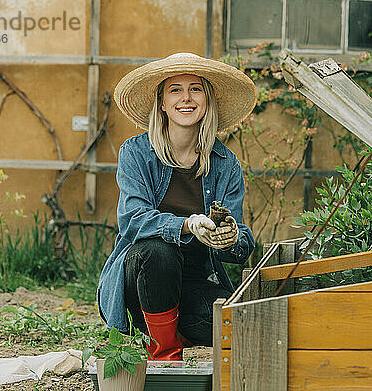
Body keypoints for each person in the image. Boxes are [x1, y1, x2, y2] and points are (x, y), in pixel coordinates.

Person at [97, 53, 257, 361]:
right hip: (139, 281)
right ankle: (165, 354)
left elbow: (241, 246)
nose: (186, 98)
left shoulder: (226, 165)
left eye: (196, 89)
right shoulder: (136, 153)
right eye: (175, 90)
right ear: (161, 103)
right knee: (160, 250)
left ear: (208, 100)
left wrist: (232, 237)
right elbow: (132, 221)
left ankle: (173, 329)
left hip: (191, 284)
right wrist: (185, 225)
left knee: (241, 322)